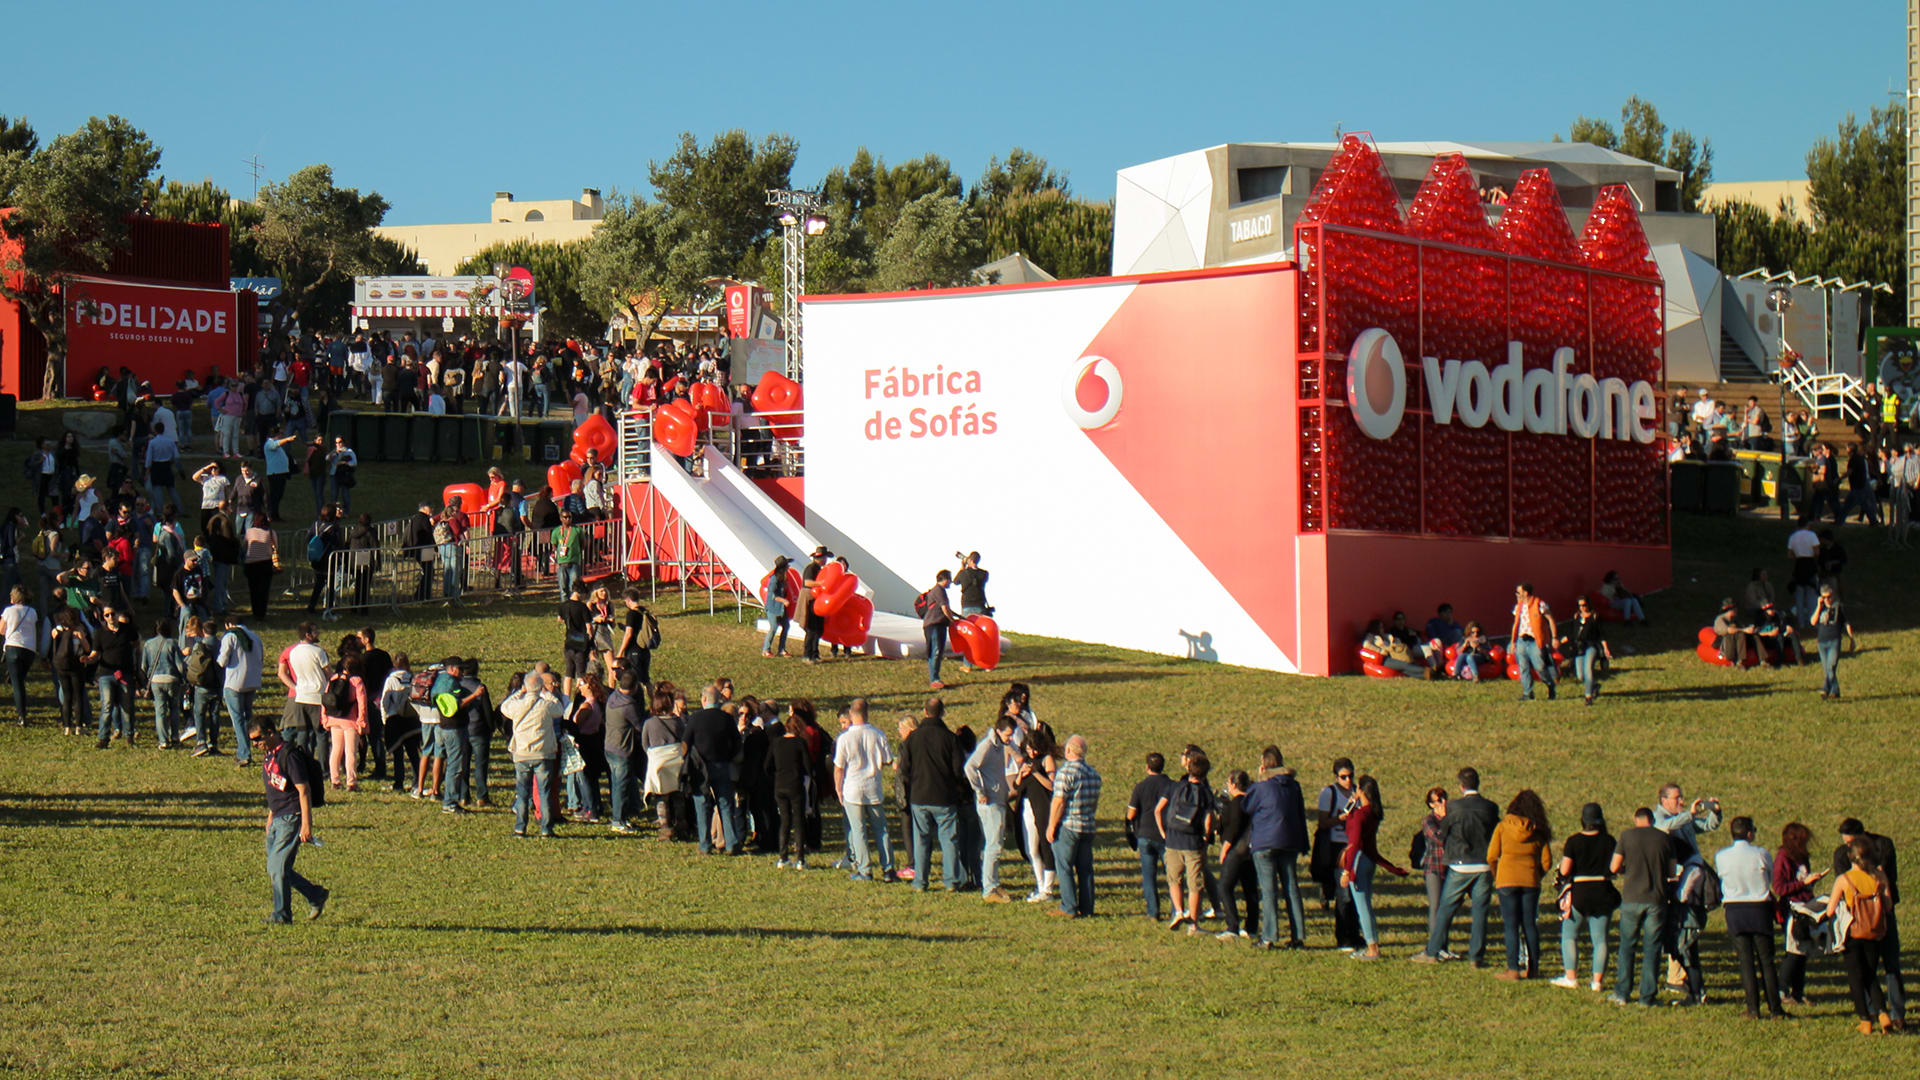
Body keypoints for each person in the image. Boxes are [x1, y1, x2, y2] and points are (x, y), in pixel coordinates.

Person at [1415, 767, 1499, 965]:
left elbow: (1443, 833)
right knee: (1480, 912)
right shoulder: (1490, 807)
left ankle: (1432, 951)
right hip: (1484, 864)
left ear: (1461, 786)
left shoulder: (1455, 807)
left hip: (1460, 864)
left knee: (1445, 909)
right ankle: (1476, 957)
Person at [251, 720, 328, 924]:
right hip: (277, 817)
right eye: (252, 741)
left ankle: (282, 915)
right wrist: (270, 817)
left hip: (291, 817)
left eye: (258, 739)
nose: (255, 744)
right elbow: (275, 789)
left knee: (277, 868)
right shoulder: (270, 756)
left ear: (270, 733)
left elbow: (303, 791)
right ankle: (314, 894)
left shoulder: (289, 756)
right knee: (275, 867)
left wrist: (306, 825)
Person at [1831, 818, 1905, 1027]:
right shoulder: (1842, 854)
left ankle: (1894, 1013)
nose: (1849, 847)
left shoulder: (1883, 845)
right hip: (1876, 914)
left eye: (1851, 842)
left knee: (1889, 965)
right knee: (1868, 968)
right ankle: (1876, 1010)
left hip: (1870, 918)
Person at [1716, 816, 1789, 1019]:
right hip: (1758, 908)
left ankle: (1752, 1008)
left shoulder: (1721, 856)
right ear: (1749, 833)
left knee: (1745, 961)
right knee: (1766, 961)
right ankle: (1775, 1008)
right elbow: (1769, 880)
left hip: (1734, 909)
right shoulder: (1761, 853)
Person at [1242, 747, 1310, 948]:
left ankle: (1269, 936)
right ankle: (1298, 936)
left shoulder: (1262, 788)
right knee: (1291, 888)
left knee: (1269, 890)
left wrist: (1258, 779)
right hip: (1290, 841)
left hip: (1265, 842)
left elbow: (1246, 807)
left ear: (1264, 764)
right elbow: (1300, 814)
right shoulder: (1294, 786)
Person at [1608, 807, 1675, 1007]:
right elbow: (1672, 871)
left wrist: (1625, 870)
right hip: (1656, 899)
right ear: (1652, 820)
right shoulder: (1664, 838)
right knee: (1652, 948)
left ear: (1636, 819)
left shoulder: (1627, 836)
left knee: (1627, 946)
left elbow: (1613, 867)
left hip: (1631, 898)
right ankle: (1647, 996)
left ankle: (1622, 992)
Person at [1486, 788, 1554, 979]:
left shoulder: (1502, 827)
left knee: (1511, 925)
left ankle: (1513, 969)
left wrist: (1497, 875)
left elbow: (1491, 856)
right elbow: (1547, 862)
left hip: (1506, 880)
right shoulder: (1537, 831)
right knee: (1529, 925)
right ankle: (1533, 968)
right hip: (1530, 881)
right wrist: (1535, 875)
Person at [1551, 802, 1619, 992]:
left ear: (1583, 820)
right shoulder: (1609, 841)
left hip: (1579, 893)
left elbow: (1565, 870)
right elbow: (1616, 868)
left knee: (1569, 936)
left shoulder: (1574, 841)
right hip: (1603, 891)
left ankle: (1571, 977)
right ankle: (1597, 981)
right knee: (1600, 940)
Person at [1339, 774, 1408, 960]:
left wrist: (1347, 870)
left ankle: (1372, 948)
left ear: (1360, 790)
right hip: (1369, 860)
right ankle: (1373, 945)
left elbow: (1353, 844)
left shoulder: (1360, 815)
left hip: (1358, 860)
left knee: (1362, 907)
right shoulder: (1372, 812)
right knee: (1366, 905)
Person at [901, 697, 965, 891]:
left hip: (919, 796)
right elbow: (958, 770)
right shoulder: (950, 738)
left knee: (921, 840)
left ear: (924, 711)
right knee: (949, 840)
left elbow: (905, 768)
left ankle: (920, 881)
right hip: (944, 797)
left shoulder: (913, 738)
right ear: (942, 712)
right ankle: (951, 880)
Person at [833, 697, 894, 882]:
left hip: (852, 788)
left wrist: (838, 788)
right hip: (873, 787)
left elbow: (839, 767)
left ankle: (864, 869)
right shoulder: (878, 734)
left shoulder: (845, 738)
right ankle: (888, 869)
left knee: (858, 830)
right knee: (881, 829)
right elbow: (887, 760)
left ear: (851, 714)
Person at [1158, 749, 1216, 934]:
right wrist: (1206, 837)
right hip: (1192, 842)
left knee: (1174, 879)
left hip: (1173, 839)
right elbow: (1208, 820)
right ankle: (1193, 924)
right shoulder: (1206, 793)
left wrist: (1164, 832)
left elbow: (1160, 808)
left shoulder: (1175, 787)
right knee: (1194, 884)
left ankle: (1178, 911)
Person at [503, 668, 565, 838]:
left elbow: (504, 707)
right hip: (543, 754)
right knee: (544, 792)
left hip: (522, 753)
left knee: (522, 792)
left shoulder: (517, 705)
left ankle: (520, 828)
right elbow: (560, 709)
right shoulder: (545, 706)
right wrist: (546, 693)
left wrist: (519, 693)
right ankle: (546, 828)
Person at [1046, 734, 1102, 920]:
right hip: (1088, 825)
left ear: (1068, 750)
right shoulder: (1094, 774)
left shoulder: (1066, 772)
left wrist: (1051, 826)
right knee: (1085, 869)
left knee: (1065, 866)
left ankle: (1068, 906)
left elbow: (1059, 802)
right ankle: (1087, 907)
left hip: (1069, 825)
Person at [963, 714, 1017, 902]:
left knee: (995, 844)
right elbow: (970, 767)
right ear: (999, 730)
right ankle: (989, 889)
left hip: (998, 800)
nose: (1010, 738)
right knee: (993, 845)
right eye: (1008, 734)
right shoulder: (987, 745)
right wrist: (980, 791)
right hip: (990, 802)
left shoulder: (999, 745)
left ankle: (992, 882)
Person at [685, 684, 743, 856]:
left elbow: (685, 742)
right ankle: (731, 842)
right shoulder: (726, 718)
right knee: (725, 804)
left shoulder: (695, 718)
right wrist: (729, 756)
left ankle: (705, 844)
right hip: (722, 764)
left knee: (702, 804)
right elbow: (737, 741)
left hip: (700, 767)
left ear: (703, 699)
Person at [1312, 759, 1363, 949]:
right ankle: (1343, 938)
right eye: (1343, 777)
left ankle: (1355, 934)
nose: (1348, 780)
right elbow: (1322, 822)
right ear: (1336, 777)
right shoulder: (1329, 793)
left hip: (1354, 846)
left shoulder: (1357, 793)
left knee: (1355, 891)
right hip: (1336, 846)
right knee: (1343, 894)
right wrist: (1342, 818)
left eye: (1350, 776)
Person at [1015, 725, 1059, 903]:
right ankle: (1040, 885)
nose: (1031, 752)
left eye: (1033, 748)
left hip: (1043, 807)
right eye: (1027, 749)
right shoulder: (1026, 760)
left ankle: (1048, 889)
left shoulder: (1046, 759)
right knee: (1030, 849)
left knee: (1045, 847)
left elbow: (1052, 786)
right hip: (1026, 807)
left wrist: (1035, 773)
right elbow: (1017, 786)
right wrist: (1021, 774)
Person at [1126, 752, 1172, 920]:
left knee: (1148, 875)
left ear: (1147, 767)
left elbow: (1131, 814)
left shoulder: (1140, 786)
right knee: (1173, 876)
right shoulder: (1171, 785)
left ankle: (1153, 912)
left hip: (1144, 834)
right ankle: (1177, 910)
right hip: (1165, 834)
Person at [766, 711, 812, 869]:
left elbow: (767, 766)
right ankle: (800, 859)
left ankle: (782, 857)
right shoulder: (800, 743)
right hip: (795, 785)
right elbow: (808, 767)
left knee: (784, 821)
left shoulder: (776, 742)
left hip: (779, 785)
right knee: (798, 821)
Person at [320, 655, 367, 792]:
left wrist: (324, 718)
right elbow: (362, 703)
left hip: (334, 719)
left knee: (336, 750)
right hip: (350, 720)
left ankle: (335, 780)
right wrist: (362, 722)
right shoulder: (357, 681)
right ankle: (351, 782)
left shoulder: (333, 679)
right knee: (351, 752)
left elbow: (326, 699)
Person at [139, 617, 184, 748]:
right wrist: (184, 679)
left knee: (160, 711)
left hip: (156, 680)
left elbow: (144, 666)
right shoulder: (172, 643)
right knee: (174, 708)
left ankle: (163, 741)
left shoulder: (148, 644)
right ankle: (175, 736)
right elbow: (180, 665)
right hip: (172, 679)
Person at [1509, 581, 1557, 701]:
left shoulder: (1539, 604)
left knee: (1539, 666)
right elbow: (1516, 624)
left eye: (1518, 592)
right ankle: (1528, 693)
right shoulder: (1518, 607)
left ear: (1525, 592)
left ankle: (1550, 684)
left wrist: (1554, 637)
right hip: (1522, 639)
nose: (1516, 594)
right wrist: (1513, 641)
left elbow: (1550, 620)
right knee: (1523, 667)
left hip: (1535, 640)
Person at [1564, 595, 1613, 706]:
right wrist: (1560, 641)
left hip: (1591, 646)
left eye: (1584, 605)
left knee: (1588, 669)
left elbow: (1601, 634)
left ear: (1588, 605)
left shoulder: (1594, 617)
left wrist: (1605, 648)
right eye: (1580, 606)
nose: (1582, 608)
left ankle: (1588, 696)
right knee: (1580, 675)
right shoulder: (1576, 617)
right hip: (1579, 648)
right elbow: (1572, 633)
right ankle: (1594, 685)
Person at [1811, 583, 1856, 700]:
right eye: (1824, 597)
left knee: (1831, 667)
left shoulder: (1839, 607)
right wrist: (1818, 606)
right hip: (1822, 642)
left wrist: (1852, 639)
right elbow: (1813, 622)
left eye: (1829, 596)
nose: (1827, 599)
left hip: (1834, 641)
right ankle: (1835, 691)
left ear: (1833, 595)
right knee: (1827, 670)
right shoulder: (1821, 608)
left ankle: (1826, 689)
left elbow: (1847, 623)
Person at [917, 569, 959, 689]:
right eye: (949, 579)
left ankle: (934, 677)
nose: (950, 582)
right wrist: (952, 621)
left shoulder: (934, 591)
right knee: (936, 651)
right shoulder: (939, 590)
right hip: (935, 624)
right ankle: (934, 679)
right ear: (944, 579)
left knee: (934, 651)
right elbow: (945, 608)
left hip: (931, 625)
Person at [2, 587, 38, 726]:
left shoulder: (8, 611)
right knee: (20, 681)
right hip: (29, 649)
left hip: (13, 647)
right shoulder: (32, 612)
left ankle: (21, 716)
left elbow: (1, 630)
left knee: (17, 684)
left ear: (13, 598)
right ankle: (23, 712)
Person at [241, 511, 278, 622]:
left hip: (251, 564)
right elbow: (276, 546)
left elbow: (244, 546)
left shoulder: (249, 532)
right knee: (264, 590)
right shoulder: (271, 532)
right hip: (265, 563)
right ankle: (262, 612)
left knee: (253, 589)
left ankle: (255, 611)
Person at [799, 546, 829, 664]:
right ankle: (807, 655)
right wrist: (820, 583)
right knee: (811, 629)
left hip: (817, 601)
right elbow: (807, 582)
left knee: (818, 628)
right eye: (824, 557)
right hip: (810, 599)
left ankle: (815, 654)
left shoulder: (819, 569)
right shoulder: (811, 568)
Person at [761, 554, 793, 658]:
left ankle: (782, 649)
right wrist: (784, 600)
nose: (789, 567)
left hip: (782, 608)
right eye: (787, 565)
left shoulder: (784, 578)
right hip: (773, 607)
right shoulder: (774, 579)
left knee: (786, 626)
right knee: (773, 627)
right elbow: (773, 595)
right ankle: (766, 650)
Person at [1712, 598, 1759, 668]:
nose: (1736, 610)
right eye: (1735, 608)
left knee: (1753, 636)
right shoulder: (1720, 619)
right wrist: (1744, 630)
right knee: (1740, 634)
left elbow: (1741, 627)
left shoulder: (1734, 619)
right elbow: (1728, 630)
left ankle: (1763, 660)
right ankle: (1739, 661)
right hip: (1724, 641)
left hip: (1735, 639)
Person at [954, 550, 990, 617]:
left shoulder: (963, 573)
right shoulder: (984, 573)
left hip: (967, 605)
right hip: (980, 605)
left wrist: (963, 567)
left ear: (970, 560)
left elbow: (955, 582)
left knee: (968, 626)